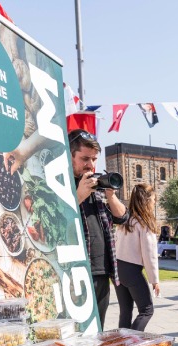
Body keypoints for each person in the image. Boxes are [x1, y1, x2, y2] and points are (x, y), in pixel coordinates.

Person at [70, 130, 128, 326]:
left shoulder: (97, 184)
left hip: (102, 270)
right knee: (78, 329)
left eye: (94, 159)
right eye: (84, 158)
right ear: (70, 155)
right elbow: (56, 220)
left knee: (98, 328)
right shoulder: (62, 183)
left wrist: (111, 195)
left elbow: (123, 217)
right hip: (75, 271)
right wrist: (78, 196)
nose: (90, 165)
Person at [112, 183, 160, 331]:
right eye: (153, 200)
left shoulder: (125, 221)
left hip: (117, 269)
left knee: (125, 312)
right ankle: (132, 344)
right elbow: (149, 254)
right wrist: (155, 281)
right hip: (132, 270)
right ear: (146, 201)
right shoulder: (144, 223)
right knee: (146, 310)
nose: (154, 203)